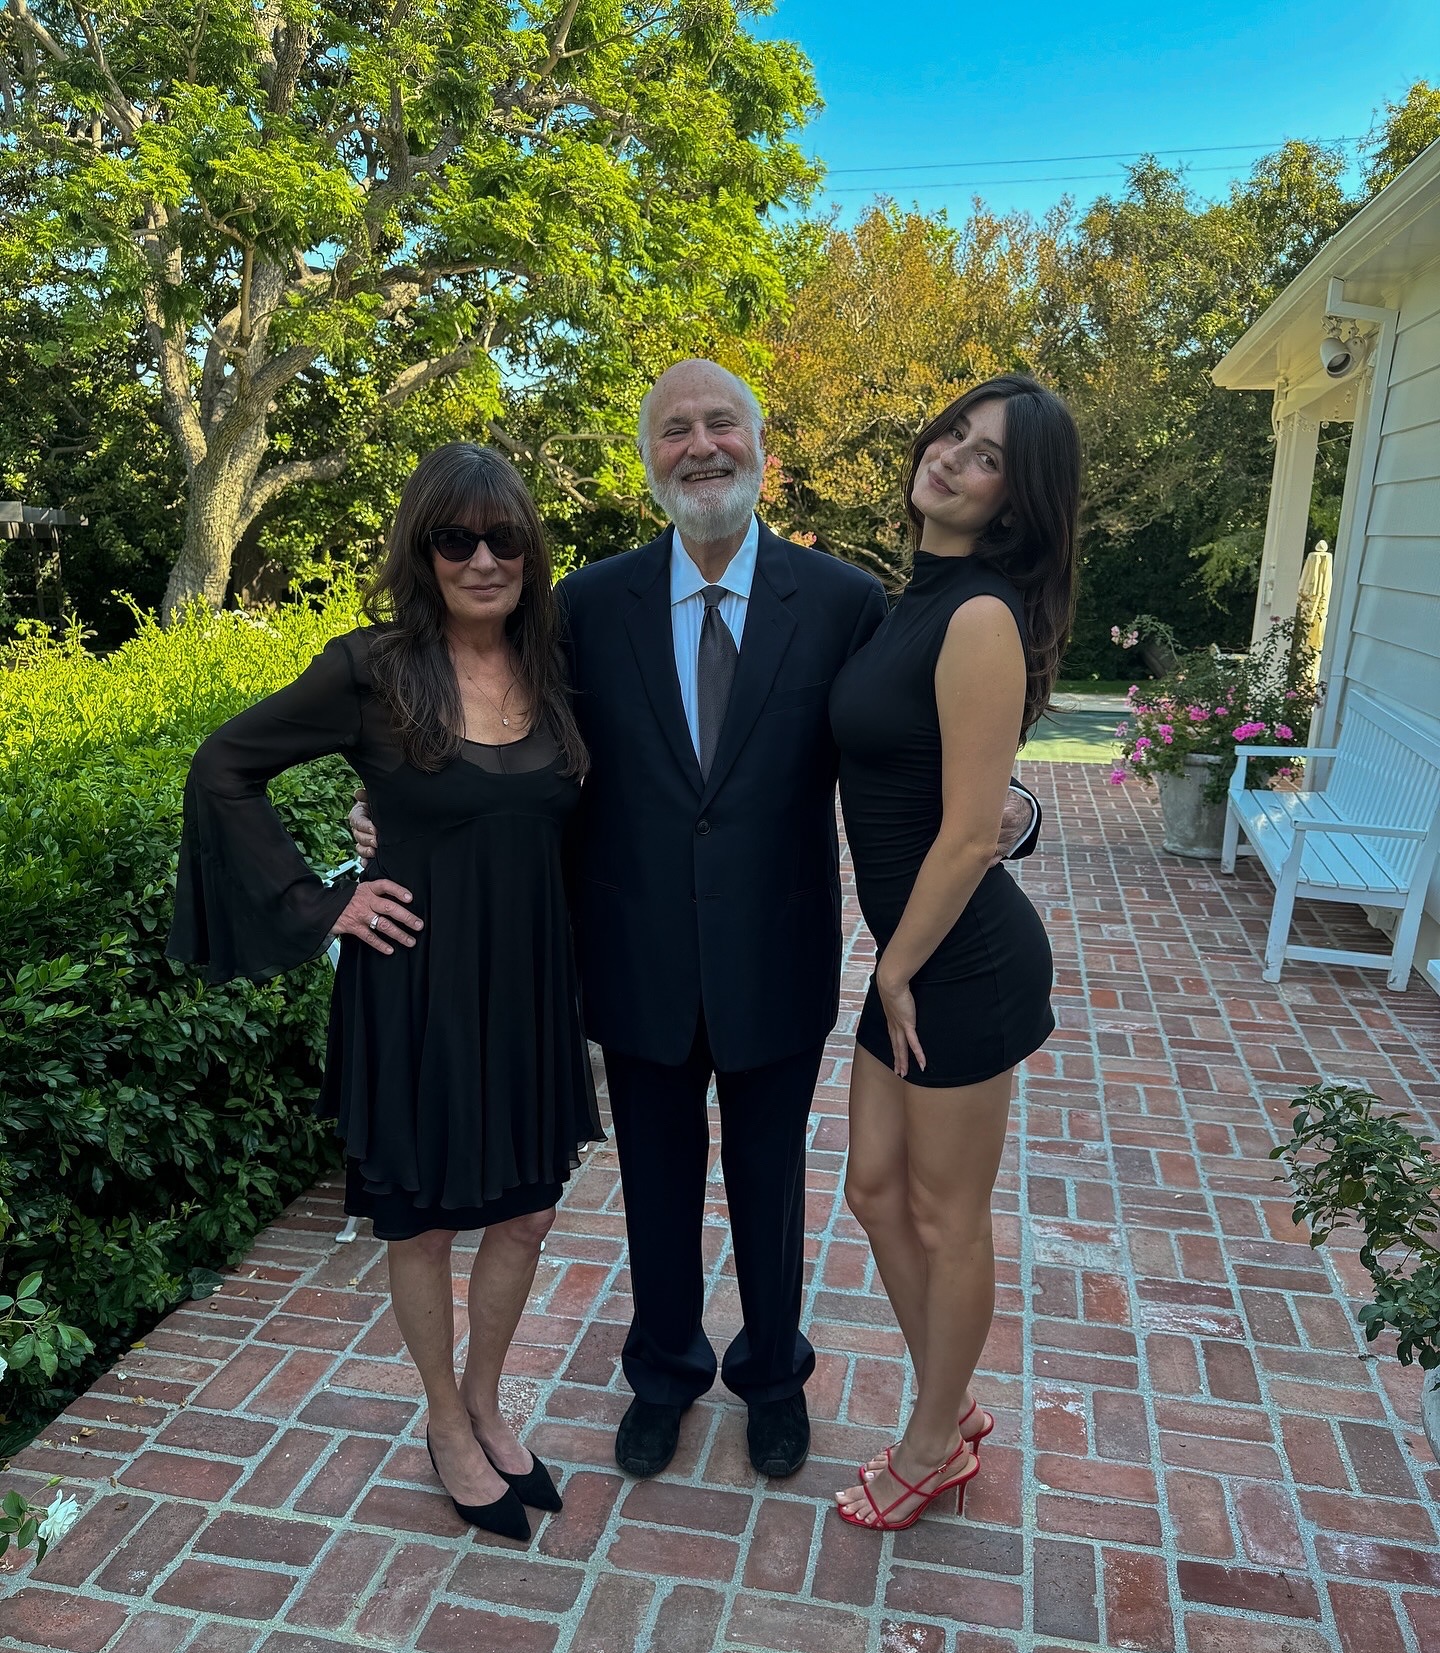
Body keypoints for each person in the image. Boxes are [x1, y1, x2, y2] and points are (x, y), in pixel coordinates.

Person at [354, 360, 1041, 1482]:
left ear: (762, 446)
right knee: (656, 1190)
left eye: (723, 422)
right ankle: (664, 1372)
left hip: (777, 948)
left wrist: (1016, 804)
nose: (701, 444)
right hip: (636, 954)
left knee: (774, 1191)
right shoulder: (584, 606)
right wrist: (392, 804)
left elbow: (908, 744)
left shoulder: (842, 602)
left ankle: (774, 1374)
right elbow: (503, 736)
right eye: (676, 430)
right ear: (649, 461)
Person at [169, 444, 600, 1542]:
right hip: (413, 987)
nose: (483, 557)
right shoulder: (370, 669)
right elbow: (224, 767)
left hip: (529, 988)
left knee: (530, 1208)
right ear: (423, 550)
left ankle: (491, 1403)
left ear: (529, 549)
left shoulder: (555, 668)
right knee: (421, 1226)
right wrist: (324, 906)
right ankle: (444, 1422)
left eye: (503, 536)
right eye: (456, 538)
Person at [829, 373, 1080, 1530]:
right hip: (911, 956)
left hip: (957, 963)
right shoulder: (908, 602)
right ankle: (952, 1397)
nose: (951, 458)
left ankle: (935, 1442)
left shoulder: (979, 616)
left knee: (947, 1214)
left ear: (1012, 505)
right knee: (874, 1191)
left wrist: (893, 965)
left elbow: (975, 828)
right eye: (952, 434)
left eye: (985, 458)